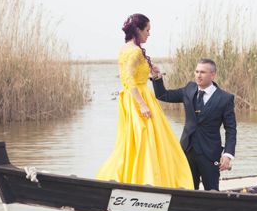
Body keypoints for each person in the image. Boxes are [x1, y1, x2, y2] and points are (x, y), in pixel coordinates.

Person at [96, 14, 194, 189]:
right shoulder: (135, 51)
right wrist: (142, 104)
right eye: (147, 30)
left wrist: (152, 74)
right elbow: (127, 77)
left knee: (133, 140)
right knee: (147, 139)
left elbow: (131, 75)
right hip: (138, 98)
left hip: (129, 97)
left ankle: (134, 177)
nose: (149, 34)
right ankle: (150, 180)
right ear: (138, 30)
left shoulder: (124, 48)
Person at [152, 58, 237, 191]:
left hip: (210, 153)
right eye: (197, 71)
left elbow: (231, 129)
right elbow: (163, 95)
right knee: (187, 189)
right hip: (186, 150)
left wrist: (228, 154)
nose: (198, 75)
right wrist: (156, 78)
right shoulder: (189, 89)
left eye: (202, 72)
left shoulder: (225, 98)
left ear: (212, 74)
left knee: (212, 191)